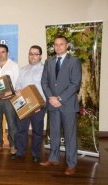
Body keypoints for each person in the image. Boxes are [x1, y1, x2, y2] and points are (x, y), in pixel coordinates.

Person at [40, 36, 82, 175]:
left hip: (68, 105)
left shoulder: (74, 61)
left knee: (70, 136)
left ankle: (71, 164)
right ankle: (53, 158)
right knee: (54, 133)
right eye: (56, 45)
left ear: (67, 45)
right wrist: (51, 98)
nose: (58, 47)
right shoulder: (49, 61)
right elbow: (44, 82)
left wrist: (60, 98)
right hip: (53, 104)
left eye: (61, 44)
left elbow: (75, 84)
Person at [11, 45, 46, 162]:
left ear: (40, 56)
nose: (33, 56)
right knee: (21, 129)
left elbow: (47, 88)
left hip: (38, 107)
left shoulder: (45, 70)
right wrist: (18, 91)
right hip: (23, 105)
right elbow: (18, 85)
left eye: (36, 54)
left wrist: (41, 104)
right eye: (31, 54)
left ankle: (36, 154)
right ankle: (20, 152)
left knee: (37, 131)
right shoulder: (24, 69)